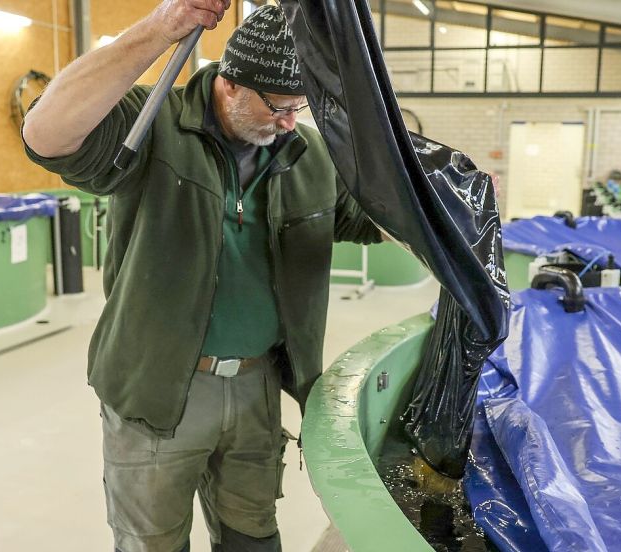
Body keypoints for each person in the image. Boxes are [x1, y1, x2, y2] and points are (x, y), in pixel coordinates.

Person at [21, 1, 381, 551]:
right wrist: (163, 27)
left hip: (259, 387)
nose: (290, 123)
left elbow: (371, 217)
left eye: (300, 107)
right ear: (231, 84)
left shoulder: (307, 156)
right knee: (153, 540)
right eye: (280, 106)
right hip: (158, 388)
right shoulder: (152, 124)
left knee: (252, 533)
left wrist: (450, 200)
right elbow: (46, 133)